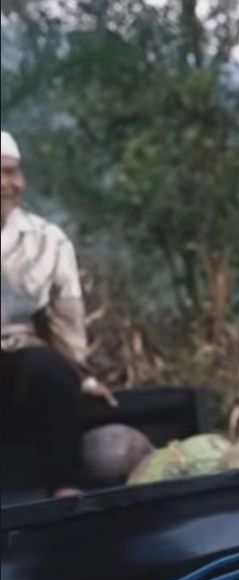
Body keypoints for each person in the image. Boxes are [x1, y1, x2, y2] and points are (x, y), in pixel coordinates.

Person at [1, 130, 117, 500]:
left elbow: (65, 323)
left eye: (13, 172)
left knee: (49, 369)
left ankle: (65, 490)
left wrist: (81, 378)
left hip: (16, 362)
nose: (7, 184)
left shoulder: (48, 241)